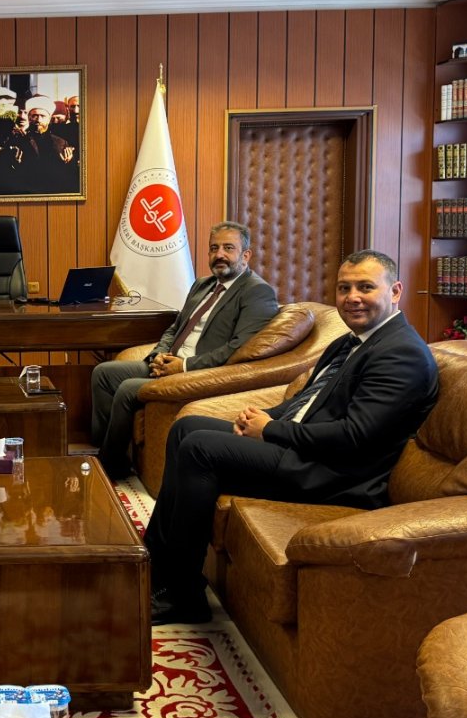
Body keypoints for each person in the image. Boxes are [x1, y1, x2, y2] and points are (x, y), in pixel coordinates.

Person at [145, 249, 439, 624]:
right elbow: (309, 400)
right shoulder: (353, 340)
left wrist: (270, 430)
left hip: (335, 473)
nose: (352, 298)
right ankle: (153, 564)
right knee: (186, 427)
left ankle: (183, 594)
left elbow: (356, 437)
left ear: (395, 291)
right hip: (305, 449)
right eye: (344, 288)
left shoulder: (401, 354)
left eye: (365, 287)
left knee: (200, 449)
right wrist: (268, 416)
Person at [91, 221, 279, 478]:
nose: (220, 255)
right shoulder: (203, 284)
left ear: (246, 255)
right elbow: (175, 327)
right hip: (170, 362)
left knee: (127, 389)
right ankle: (108, 451)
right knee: (103, 374)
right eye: (214, 248)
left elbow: (237, 348)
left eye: (228, 248)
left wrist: (184, 366)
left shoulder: (257, 292)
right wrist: (158, 354)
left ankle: (108, 466)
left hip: (198, 372)